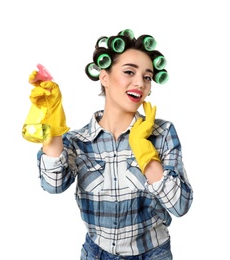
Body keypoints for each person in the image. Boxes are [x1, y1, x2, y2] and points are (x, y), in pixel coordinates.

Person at [26, 29, 193, 259]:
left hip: (153, 253)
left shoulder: (162, 133)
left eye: (147, 77)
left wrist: (143, 150)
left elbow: (180, 205)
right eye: (129, 72)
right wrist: (52, 121)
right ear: (104, 77)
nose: (140, 83)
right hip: (97, 254)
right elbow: (53, 185)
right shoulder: (79, 142)